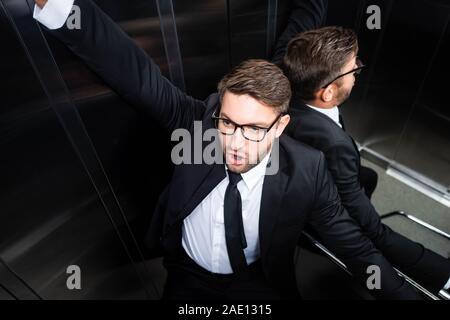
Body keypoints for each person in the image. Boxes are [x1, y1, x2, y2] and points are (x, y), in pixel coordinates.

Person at [32, 0, 422, 299]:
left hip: (257, 282)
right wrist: (59, 8)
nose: (234, 143)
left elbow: (354, 246)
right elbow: (133, 72)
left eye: (254, 129)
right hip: (187, 277)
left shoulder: (308, 169)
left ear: (280, 125)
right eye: (229, 123)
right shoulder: (199, 126)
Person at [274, 0, 450, 296]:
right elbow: (364, 220)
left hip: (310, 175)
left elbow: (302, 20)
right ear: (327, 92)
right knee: (377, 232)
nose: (357, 69)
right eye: (352, 69)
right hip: (319, 206)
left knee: (368, 177)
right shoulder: (335, 146)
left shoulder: (284, 68)